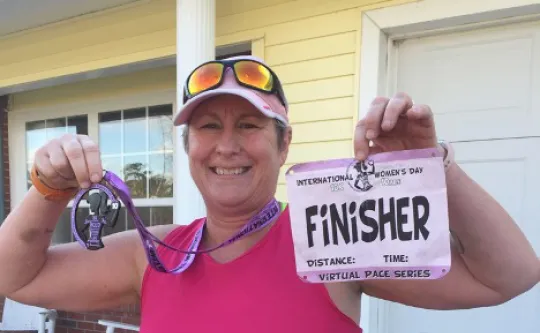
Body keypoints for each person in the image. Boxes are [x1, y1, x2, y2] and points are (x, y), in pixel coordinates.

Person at [0, 55, 538, 332]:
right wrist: (48, 190)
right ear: (188, 149)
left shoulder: (331, 245)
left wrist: (432, 165)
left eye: (250, 126)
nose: (227, 146)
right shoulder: (156, 256)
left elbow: (510, 275)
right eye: (208, 127)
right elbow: (14, 277)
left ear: (284, 146)